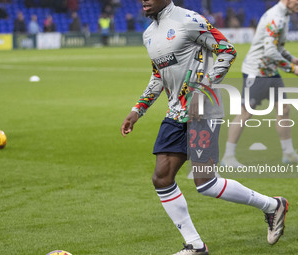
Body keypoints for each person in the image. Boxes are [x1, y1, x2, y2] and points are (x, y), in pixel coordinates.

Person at [121, 1, 289, 254]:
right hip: (176, 113)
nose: (144, 0)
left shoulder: (189, 20)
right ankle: (195, 246)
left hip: (204, 111)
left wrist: (202, 89)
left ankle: (272, 205)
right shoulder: (148, 34)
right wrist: (138, 109)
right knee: (162, 178)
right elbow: (158, 75)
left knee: (205, 183)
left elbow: (227, 50)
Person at [221, 0, 298, 168]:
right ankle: (228, 157)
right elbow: (270, 51)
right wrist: (291, 67)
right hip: (256, 72)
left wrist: (290, 57)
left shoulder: (284, 16)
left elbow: (276, 47)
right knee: (245, 113)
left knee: (284, 109)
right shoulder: (275, 18)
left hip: (270, 70)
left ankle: (288, 153)